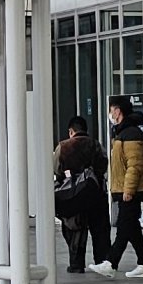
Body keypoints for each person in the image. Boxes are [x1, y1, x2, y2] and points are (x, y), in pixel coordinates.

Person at [100, 94, 143, 279]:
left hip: (131, 190)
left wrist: (128, 190)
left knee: (125, 226)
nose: (110, 114)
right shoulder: (123, 132)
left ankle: (111, 263)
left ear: (118, 111)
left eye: (111, 110)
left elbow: (134, 165)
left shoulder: (131, 134)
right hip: (126, 188)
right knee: (130, 226)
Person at [52, 115, 108, 275]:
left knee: (75, 229)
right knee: (100, 230)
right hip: (95, 193)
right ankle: (102, 262)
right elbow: (103, 165)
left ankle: (76, 264)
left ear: (71, 131)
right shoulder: (96, 145)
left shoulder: (63, 147)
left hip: (73, 195)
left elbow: (56, 169)